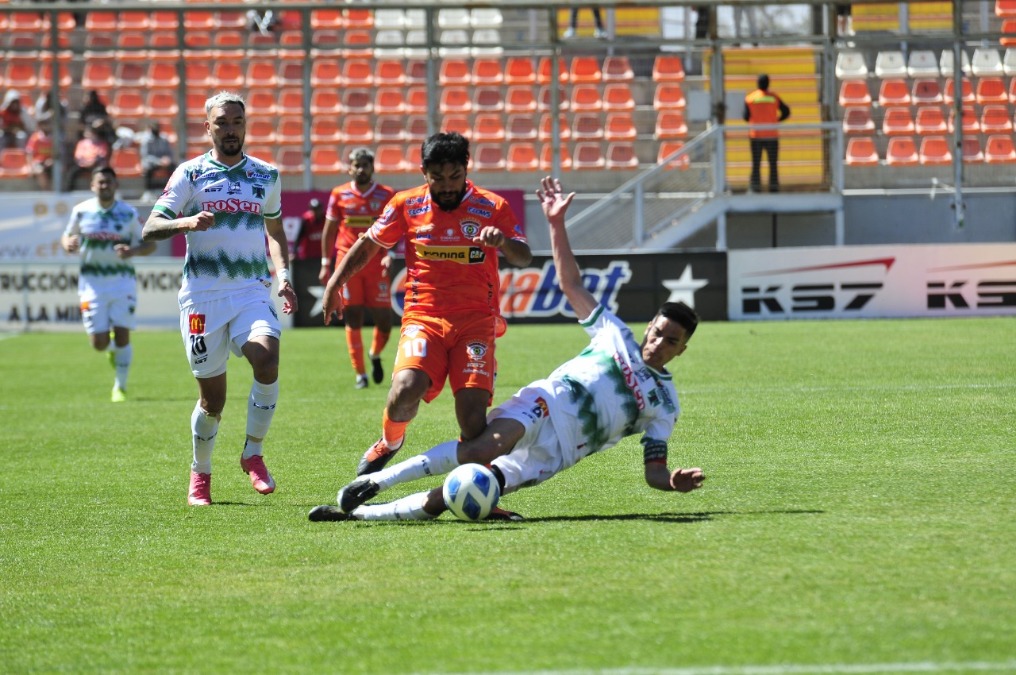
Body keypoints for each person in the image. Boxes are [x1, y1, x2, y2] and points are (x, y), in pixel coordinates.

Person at [309, 176, 704, 523]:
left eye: (671, 341)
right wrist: (555, 223)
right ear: (649, 325)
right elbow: (571, 285)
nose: (657, 343)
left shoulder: (665, 405)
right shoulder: (614, 333)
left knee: (461, 492)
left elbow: (654, 469)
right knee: (483, 446)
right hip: (547, 402)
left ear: (682, 350)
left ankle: (360, 514)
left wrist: (671, 481)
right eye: (656, 332)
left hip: (559, 452)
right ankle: (375, 480)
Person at [322, 132, 532, 478]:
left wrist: (504, 242)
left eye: (455, 177)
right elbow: (368, 245)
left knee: (472, 418)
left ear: (467, 169)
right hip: (424, 317)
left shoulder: (492, 207)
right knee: (405, 390)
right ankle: (389, 443)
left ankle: (476, 486)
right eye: (438, 178)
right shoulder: (406, 204)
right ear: (424, 172)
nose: (447, 186)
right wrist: (334, 283)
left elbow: (524, 256)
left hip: (476, 322)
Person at [141, 91, 298, 507]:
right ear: (207, 127)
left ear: (245, 125)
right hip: (201, 300)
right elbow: (150, 227)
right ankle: (201, 474)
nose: (231, 129)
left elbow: (276, 232)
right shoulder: (190, 174)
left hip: (250, 290)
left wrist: (283, 277)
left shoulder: (266, 174)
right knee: (213, 401)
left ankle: (253, 452)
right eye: (222, 122)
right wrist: (187, 221)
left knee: (267, 359)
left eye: (237, 122)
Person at [60, 167, 156, 402]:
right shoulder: (81, 212)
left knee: (123, 334)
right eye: (100, 182)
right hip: (91, 284)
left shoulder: (128, 213)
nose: (104, 186)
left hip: (122, 283)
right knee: (99, 344)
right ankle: (112, 351)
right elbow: (66, 237)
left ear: (116, 185)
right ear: (93, 186)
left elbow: (150, 244)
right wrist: (68, 244)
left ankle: (120, 387)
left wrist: (132, 251)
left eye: (108, 182)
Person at [319, 148, 397, 390]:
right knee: (353, 317)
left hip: (376, 262)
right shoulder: (339, 194)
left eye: (366, 164)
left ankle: (374, 354)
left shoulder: (386, 194)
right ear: (349, 168)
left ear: (373, 167)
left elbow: (396, 228)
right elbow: (330, 231)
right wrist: (325, 263)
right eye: (357, 164)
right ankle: (360, 375)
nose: (361, 169)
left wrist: (390, 253)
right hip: (347, 263)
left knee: (384, 322)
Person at [743, 73, 791, 193]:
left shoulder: (750, 98)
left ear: (757, 84)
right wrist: (777, 120)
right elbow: (786, 111)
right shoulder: (774, 97)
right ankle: (774, 188)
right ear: (768, 84)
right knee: (773, 164)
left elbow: (745, 116)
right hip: (771, 136)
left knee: (756, 163)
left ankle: (755, 188)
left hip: (756, 136)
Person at [66, 121, 112, 191]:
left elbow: (102, 155)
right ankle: (69, 190)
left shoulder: (102, 143)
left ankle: (100, 190)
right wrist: (85, 163)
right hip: (83, 165)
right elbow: (78, 155)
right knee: (72, 172)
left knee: (101, 173)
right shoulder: (82, 143)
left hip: (95, 164)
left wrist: (92, 162)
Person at [138, 121, 176, 197]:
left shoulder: (164, 138)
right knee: (147, 167)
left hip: (164, 162)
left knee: (174, 166)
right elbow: (145, 156)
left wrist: (167, 159)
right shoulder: (146, 140)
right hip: (152, 162)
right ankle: (148, 191)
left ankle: (171, 189)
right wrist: (158, 161)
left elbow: (169, 153)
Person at [26, 120, 55, 191]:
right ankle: (46, 191)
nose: (46, 126)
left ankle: (58, 191)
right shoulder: (35, 137)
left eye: (47, 124)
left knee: (58, 169)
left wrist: (52, 160)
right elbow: (29, 153)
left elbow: (58, 152)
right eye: (43, 124)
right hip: (38, 162)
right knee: (40, 171)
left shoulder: (54, 137)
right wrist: (30, 167)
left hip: (51, 162)